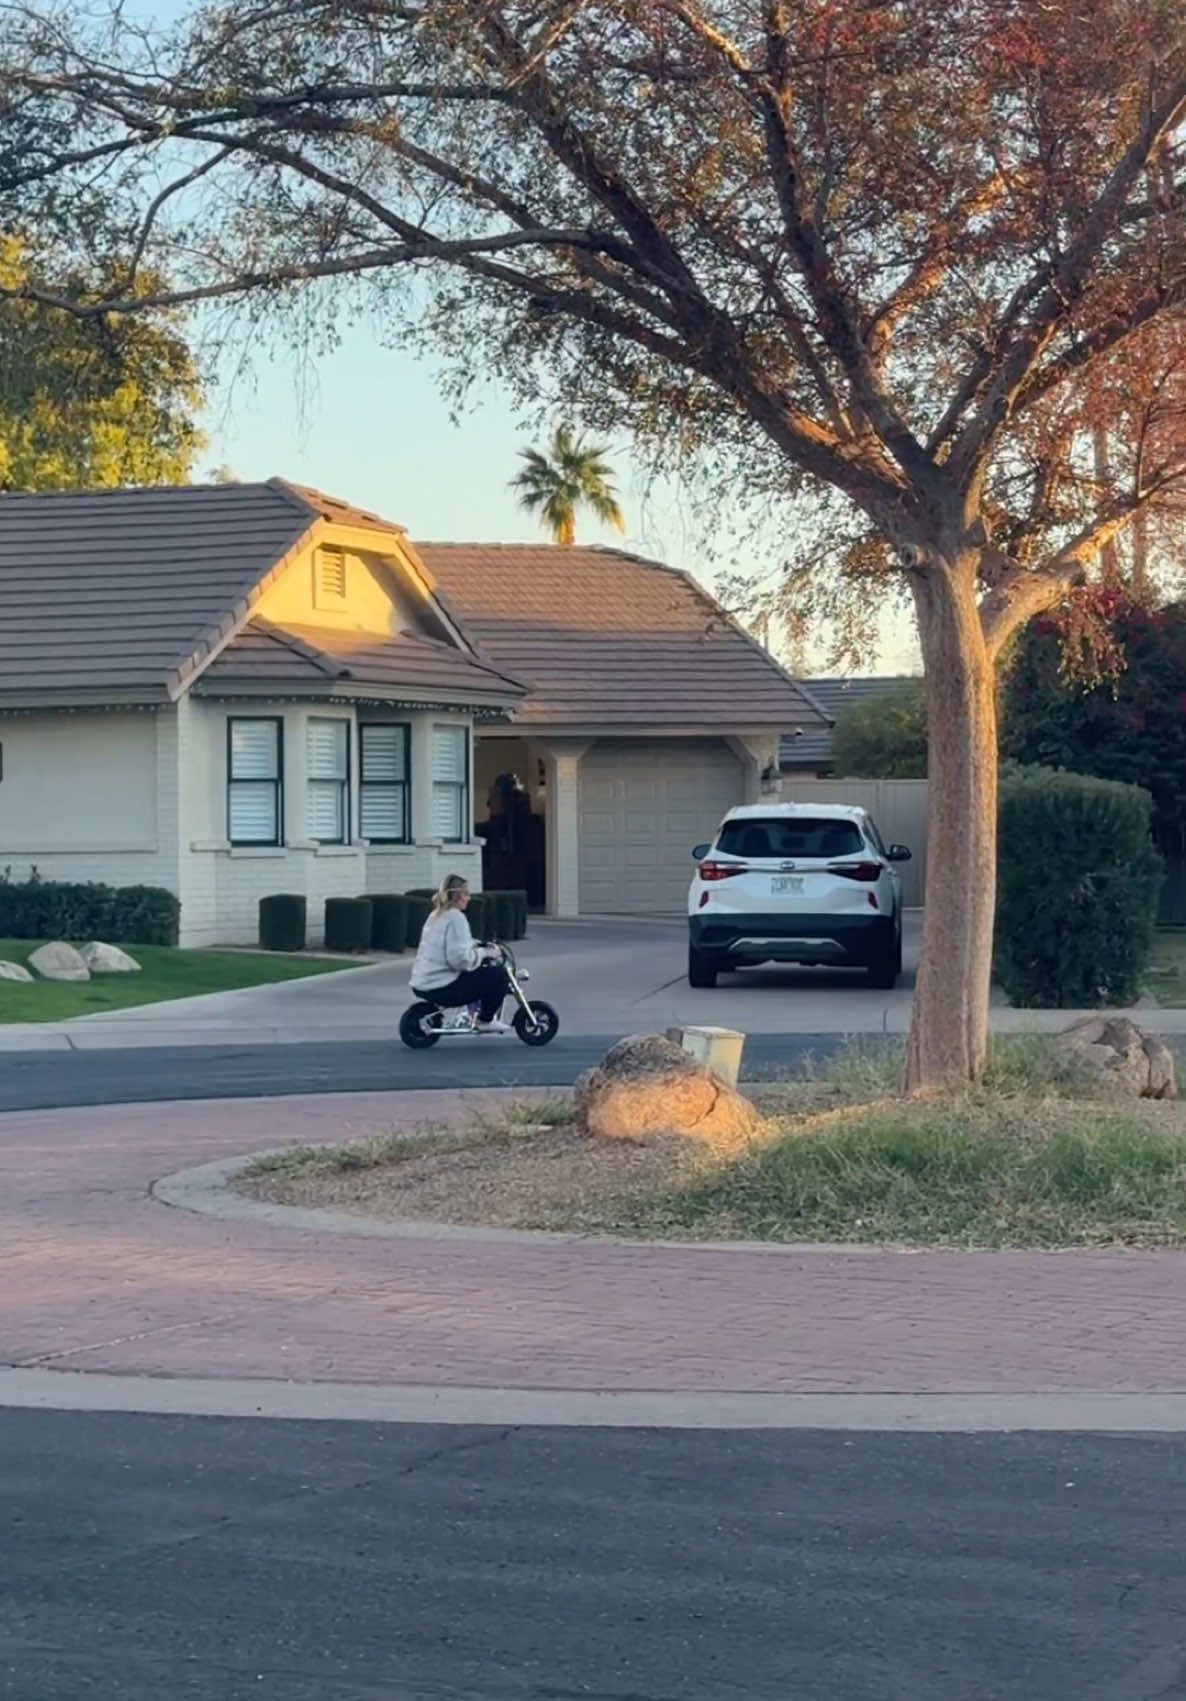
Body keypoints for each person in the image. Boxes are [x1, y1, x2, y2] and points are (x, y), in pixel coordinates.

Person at [410, 873, 511, 1031]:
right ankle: (484, 1021)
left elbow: (454, 944)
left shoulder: (437, 915)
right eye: (466, 894)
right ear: (457, 895)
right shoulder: (456, 918)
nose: (469, 898)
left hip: (423, 983)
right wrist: (486, 953)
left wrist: (478, 945)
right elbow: (460, 960)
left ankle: (472, 1014)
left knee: (479, 973)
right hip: (442, 986)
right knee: (498, 975)